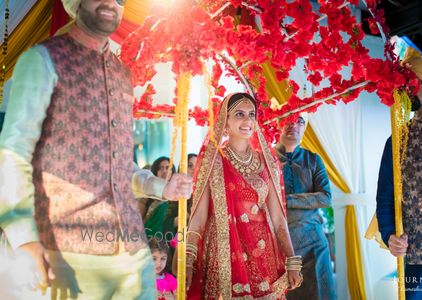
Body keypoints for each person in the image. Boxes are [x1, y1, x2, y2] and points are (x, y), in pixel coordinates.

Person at [0, 0, 192, 298]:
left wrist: (161, 188)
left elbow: (117, 165)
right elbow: (13, 158)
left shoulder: (121, 75)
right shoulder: (42, 62)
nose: (110, 3)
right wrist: (26, 242)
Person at [183, 92, 303, 299]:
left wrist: (292, 260)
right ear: (225, 121)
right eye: (239, 114)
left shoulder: (267, 162)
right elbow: (199, 218)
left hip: (263, 254)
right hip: (224, 256)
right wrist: (187, 258)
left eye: (251, 114)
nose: (247, 120)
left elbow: (278, 219)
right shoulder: (212, 161)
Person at [376, 48, 422, 299]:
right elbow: (384, 199)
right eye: (405, 85)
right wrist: (390, 236)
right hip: (418, 254)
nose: (408, 90)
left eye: (414, 83)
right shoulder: (397, 140)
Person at [275, 116, 335, 300]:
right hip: (278, 243)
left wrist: (286, 201)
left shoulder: (313, 159)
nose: (293, 125)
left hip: (313, 243)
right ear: (277, 123)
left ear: (305, 126)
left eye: (299, 121)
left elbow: (325, 198)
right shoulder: (266, 159)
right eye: (287, 119)